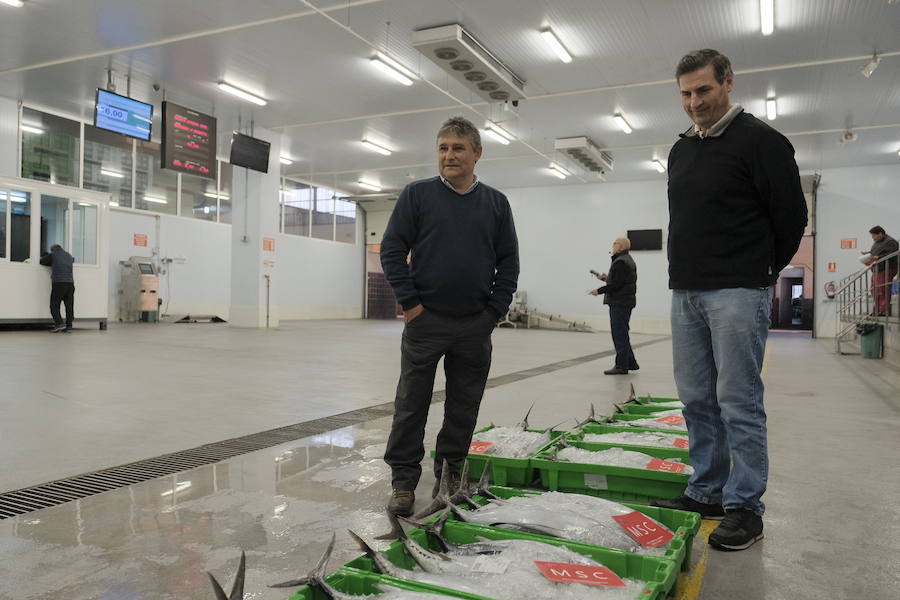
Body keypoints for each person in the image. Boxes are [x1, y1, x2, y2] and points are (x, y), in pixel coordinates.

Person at [653, 49, 808, 551]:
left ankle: (745, 507)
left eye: (703, 90)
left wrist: (761, 272)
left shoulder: (762, 142)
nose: (695, 101)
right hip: (687, 292)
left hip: (738, 291)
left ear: (728, 84)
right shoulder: (681, 150)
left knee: (738, 401)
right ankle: (708, 491)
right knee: (696, 398)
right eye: (686, 93)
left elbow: (790, 218)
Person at [379, 116, 520, 516]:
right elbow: (392, 250)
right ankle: (404, 482)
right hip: (426, 322)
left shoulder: (495, 203)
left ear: (477, 153)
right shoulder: (417, 195)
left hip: (474, 324)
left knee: (464, 404)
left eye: (458, 148)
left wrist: (493, 312)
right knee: (411, 403)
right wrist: (411, 304)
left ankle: (451, 471)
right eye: (442, 148)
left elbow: (508, 262)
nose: (449, 156)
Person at [590, 237, 639, 375]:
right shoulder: (625, 260)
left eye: (615, 243)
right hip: (624, 302)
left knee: (619, 335)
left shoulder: (621, 262)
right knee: (622, 333)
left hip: (619, 303)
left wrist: (598, 291)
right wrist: (606, 278)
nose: (613, 245)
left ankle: (621, 366)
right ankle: (630, 363)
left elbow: (616, 285)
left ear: (621, 246)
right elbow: (619, 281)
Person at [39, 244, 76, 333]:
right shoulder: (69, 255)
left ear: (53, 250)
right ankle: (69, 326)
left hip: (59, 283)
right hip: (70, 284)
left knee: (54, 305)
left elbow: (42, 261)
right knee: (69, 306)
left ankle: (59, 324)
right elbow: (72, 260)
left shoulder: (53, 255)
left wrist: (46, 255)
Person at [863, 226, 898, 316]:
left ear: (880, 233)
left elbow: (892, 254)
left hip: (886, 268)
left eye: (874, 235)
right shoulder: (877, 242)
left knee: (882, 290)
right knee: (873, 290)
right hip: (877, 269)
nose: (873, 237)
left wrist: (878, 257)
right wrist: (868, 253)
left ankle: (884, 310)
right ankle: (878, 309)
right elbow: (877, 251)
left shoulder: (890, 242)